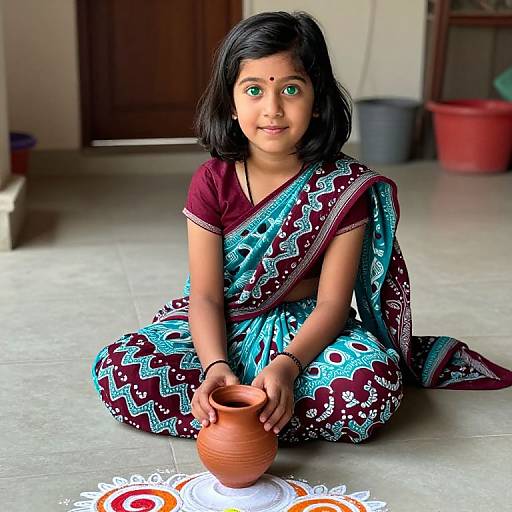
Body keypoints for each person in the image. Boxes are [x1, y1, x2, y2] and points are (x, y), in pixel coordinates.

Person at [92, 11, 512, 445]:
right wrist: (216, 367)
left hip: (304, 333)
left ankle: (244, 414)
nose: (272, 109)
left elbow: (332, 303)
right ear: (231, 105)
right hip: (225, 323)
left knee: (371, 389)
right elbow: (204, 295)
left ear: (317, 101)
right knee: (120, 371)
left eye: (291, 89)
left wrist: (286, 367)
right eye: (253, 90)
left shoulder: (343, 189)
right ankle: (257, 412)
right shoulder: (212, 180)